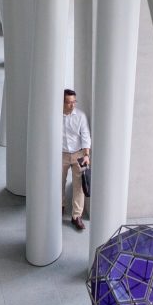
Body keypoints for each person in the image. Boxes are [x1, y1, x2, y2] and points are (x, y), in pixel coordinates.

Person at [62, 88, 91, 230]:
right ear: (62, 102)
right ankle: (59, 207)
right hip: (61, 154)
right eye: (68, 102)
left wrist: (86, 155)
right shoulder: (55, 115)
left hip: (79, 154)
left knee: (79, 186)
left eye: (74, 102)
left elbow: (85, 135)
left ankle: (76, 216)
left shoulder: (80, 116)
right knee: (58, 183)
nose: (72, 105)